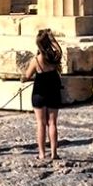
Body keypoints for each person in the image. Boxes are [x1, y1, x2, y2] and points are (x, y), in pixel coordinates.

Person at [22, 28, 63, 161]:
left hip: (39, 92)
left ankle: (41, 153)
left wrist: (23, 78)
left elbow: (27, 76)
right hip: (53, 91)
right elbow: (60, 50)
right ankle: (54, 153)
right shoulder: (55, 56)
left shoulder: (37, 60)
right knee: (52, 123)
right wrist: (53, 40)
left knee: (40, 123)